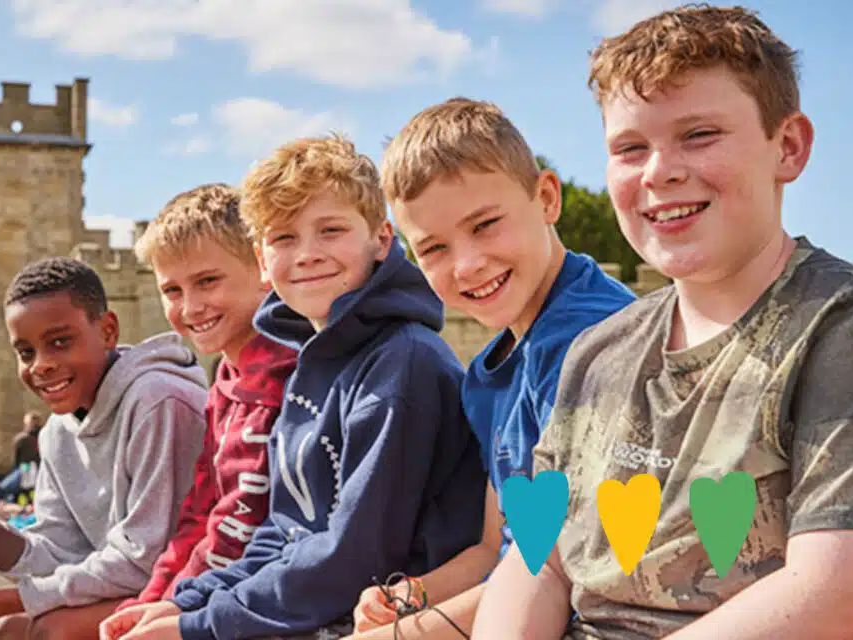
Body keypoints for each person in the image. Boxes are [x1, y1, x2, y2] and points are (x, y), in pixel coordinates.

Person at [472, 5, 853, 639]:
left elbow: (832, 595)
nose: (659, 171)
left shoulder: (850, 330)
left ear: (787, 147)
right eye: (629, 147)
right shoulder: (599, 351)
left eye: (699, 135)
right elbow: (543, 562)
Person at [99, 134, 487, 640]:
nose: (306, 254)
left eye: (331, 230)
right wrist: (185, 603)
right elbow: (284, 532)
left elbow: (356, 558)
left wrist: (200, 626)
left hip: (387, 617)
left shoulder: (403, 365)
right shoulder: (313, 361)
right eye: (283, 238)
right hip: (324, 606)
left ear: (381, 240)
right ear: (263, 260)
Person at [349, 98, 636, 639]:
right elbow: (494, 548)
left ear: (546, 198)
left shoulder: (594, 340)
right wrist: (415, 595)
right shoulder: (487, 376)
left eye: (485, 225)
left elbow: (565, 570)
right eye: (433, 248)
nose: (467, 264)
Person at [0, 256, 208, 639]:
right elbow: (53, 559)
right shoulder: (57, 432)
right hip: (137, 584)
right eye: (25, 352)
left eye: (59, 342)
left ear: (107, 331)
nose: (41, 365)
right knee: (13, 631)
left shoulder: (160, 402)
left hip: (199, 588)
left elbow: (143, 561)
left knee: (51, 631)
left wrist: (1, 600)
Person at [113, 183, 297, 610]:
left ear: (261, 266)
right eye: (172, 291)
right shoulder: (227, 375)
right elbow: (201, 509)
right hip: (219, 592)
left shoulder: (289, 368)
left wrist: (173, 606)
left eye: (207, 281)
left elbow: (243, 517)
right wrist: (152, 598)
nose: (190, 307)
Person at [0, 410, 44, 505]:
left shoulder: (25, 438)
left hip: (26, 470)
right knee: (15, 494)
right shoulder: (39, 437)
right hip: (29, 470)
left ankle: (0, 506)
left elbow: (18, 459)